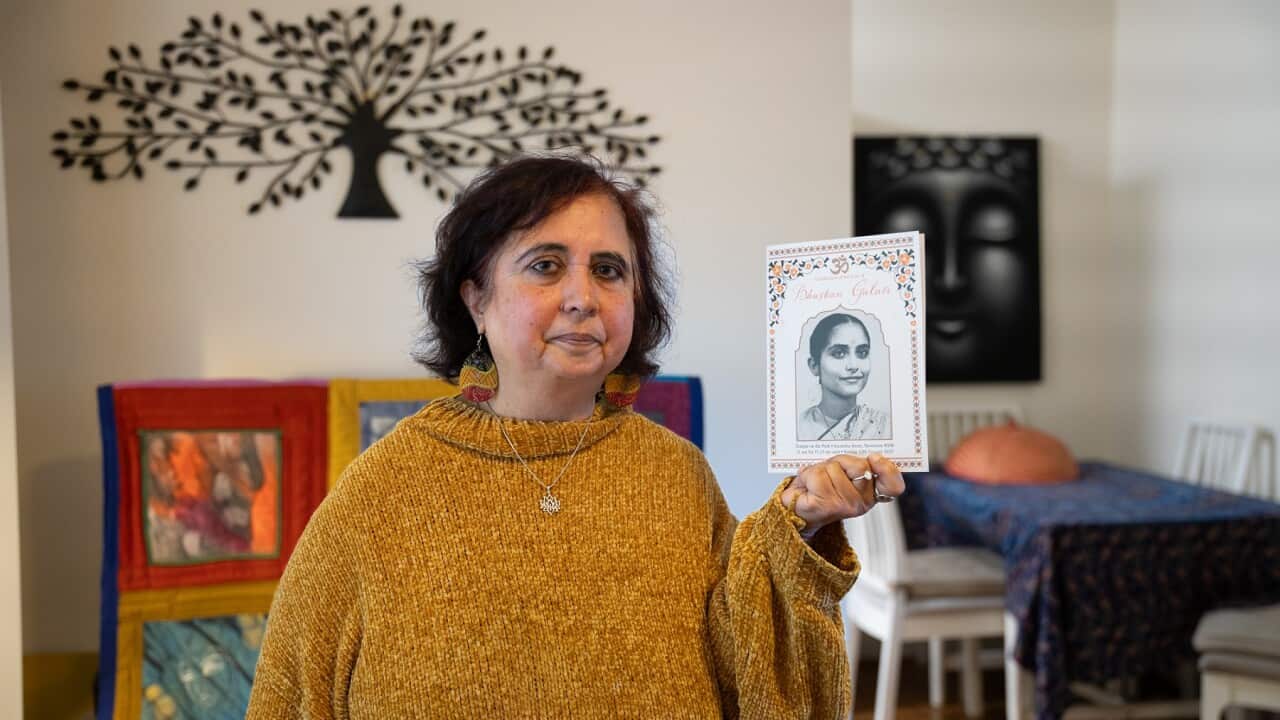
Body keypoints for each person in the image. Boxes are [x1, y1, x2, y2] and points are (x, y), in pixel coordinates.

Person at [246, 155, 904, 719]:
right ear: (475, 298)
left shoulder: (678, 476)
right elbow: (289, 693)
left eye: (610, 271)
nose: (582, 297)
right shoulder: (384, 490)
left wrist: (798, 524)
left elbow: (752, 672)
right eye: (545, 265)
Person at [798, 313, 890, 441]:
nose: (853, 366)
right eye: (839, 353)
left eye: (862, 353)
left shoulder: (885, 426)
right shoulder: (798, 428)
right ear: (814, 365)